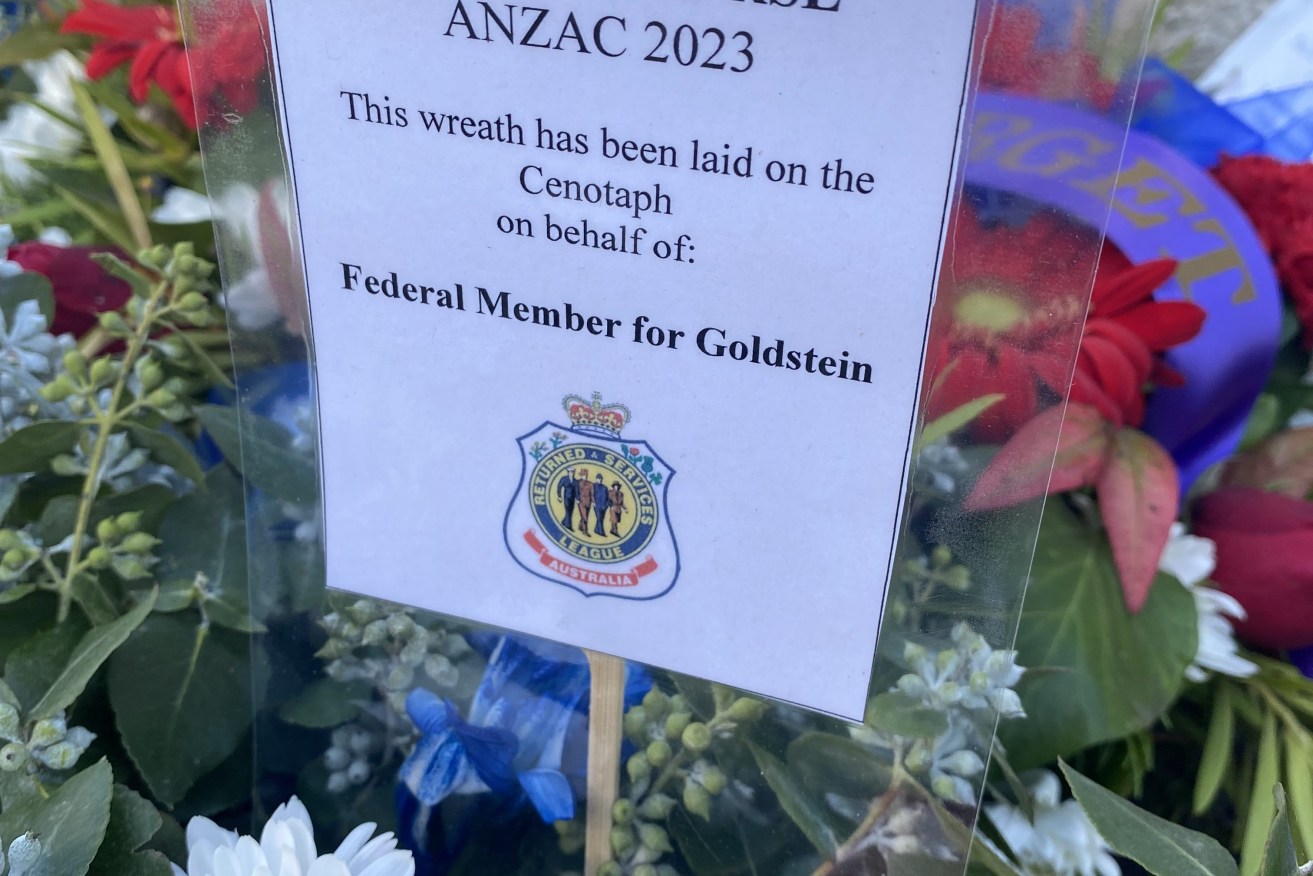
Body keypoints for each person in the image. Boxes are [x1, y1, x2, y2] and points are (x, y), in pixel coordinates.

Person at [576, 468, 594, 536]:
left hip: (588, 501)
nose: (584, 476)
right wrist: (577, 499)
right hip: (581, 501)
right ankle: (585, 531)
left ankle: (580, 526)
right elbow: (576, 491)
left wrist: (593, 501)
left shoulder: (590, 484)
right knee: (584, 517)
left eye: (585, 475)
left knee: (585, 515)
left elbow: (592, 493)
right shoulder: (578, 483)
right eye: (583, 475)